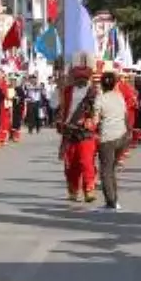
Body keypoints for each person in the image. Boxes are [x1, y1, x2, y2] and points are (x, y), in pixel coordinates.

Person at [58, 52, 100, 203]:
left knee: (86, 162)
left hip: (86, 132)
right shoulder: (67, 91)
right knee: (70, 164)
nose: (80, 79)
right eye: (77, 76)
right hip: (69, 131)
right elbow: (63, 109)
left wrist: (92, 121)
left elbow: (98, 111)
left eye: (84, 76)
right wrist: (60, 121)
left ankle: (89, 189)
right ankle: (73, 190)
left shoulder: (94, 91)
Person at [95, 63, 130, 211]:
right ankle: (114, 199)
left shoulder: (100, 99)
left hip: (107, 138)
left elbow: (95, 120)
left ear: (102, 85)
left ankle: (111, 202)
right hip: (121, 137)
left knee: (105, 171)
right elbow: (125, 115)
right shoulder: (119, 96)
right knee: (111, 169)